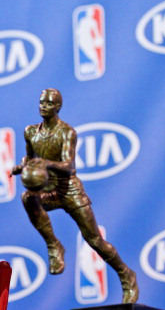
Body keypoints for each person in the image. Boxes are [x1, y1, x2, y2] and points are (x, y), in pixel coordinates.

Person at [10, 88, 138, 304]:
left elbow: (69, 167)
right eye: (42, 102)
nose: (43, 106)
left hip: (70, 191)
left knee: (95, 240)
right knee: (28, 198)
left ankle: (127, 275)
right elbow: (30, 158)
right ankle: (54, 245)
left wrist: (45, 163)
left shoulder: (67, 132)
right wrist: (22, 166)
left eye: (49, 103)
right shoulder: (30, 132)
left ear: (58, 107)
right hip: (47, 191)